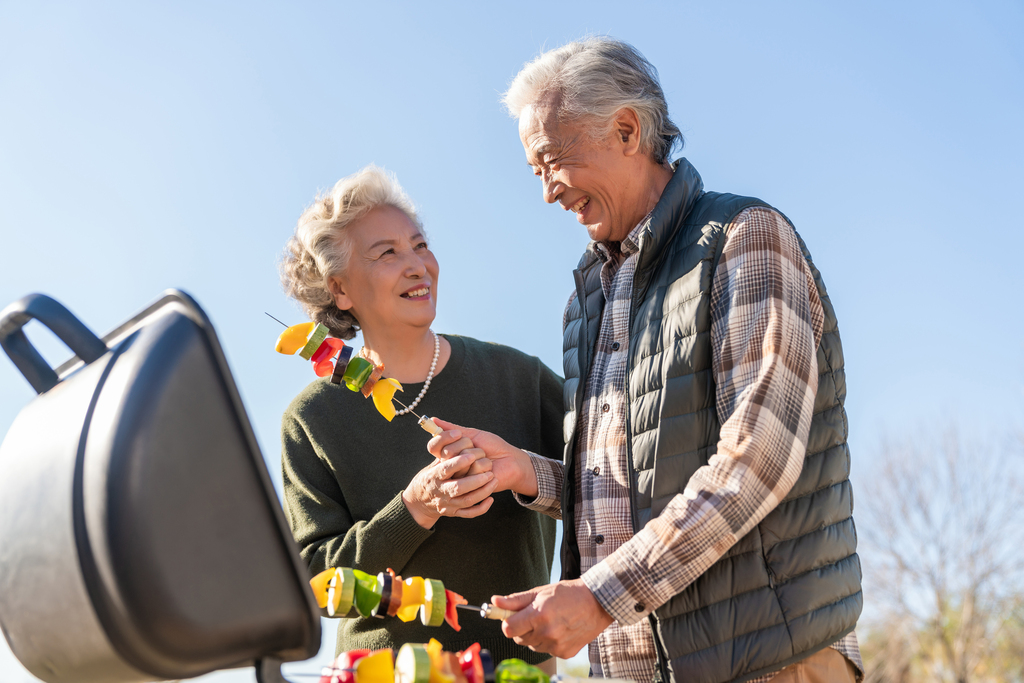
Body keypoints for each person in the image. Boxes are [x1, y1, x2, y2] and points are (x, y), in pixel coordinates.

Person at [428, 38, 863, 683]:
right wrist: (528, 474)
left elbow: (759, 459)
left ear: (627, 130)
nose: (547, 192)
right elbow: (631, 483)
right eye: (533, 170)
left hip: (766, 662)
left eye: (552, 159)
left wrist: (601, 595)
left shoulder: (746, 240)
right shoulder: (589, 299)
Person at [278, 165, 561, 671]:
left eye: (420, 245)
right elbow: (314, 582)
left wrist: (520, 469)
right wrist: (415, 509)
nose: (417, 266)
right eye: (387, 253)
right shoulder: (311, 419)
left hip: (521, 671)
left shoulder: (521, 378)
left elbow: (611, 490)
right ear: (340, 290)